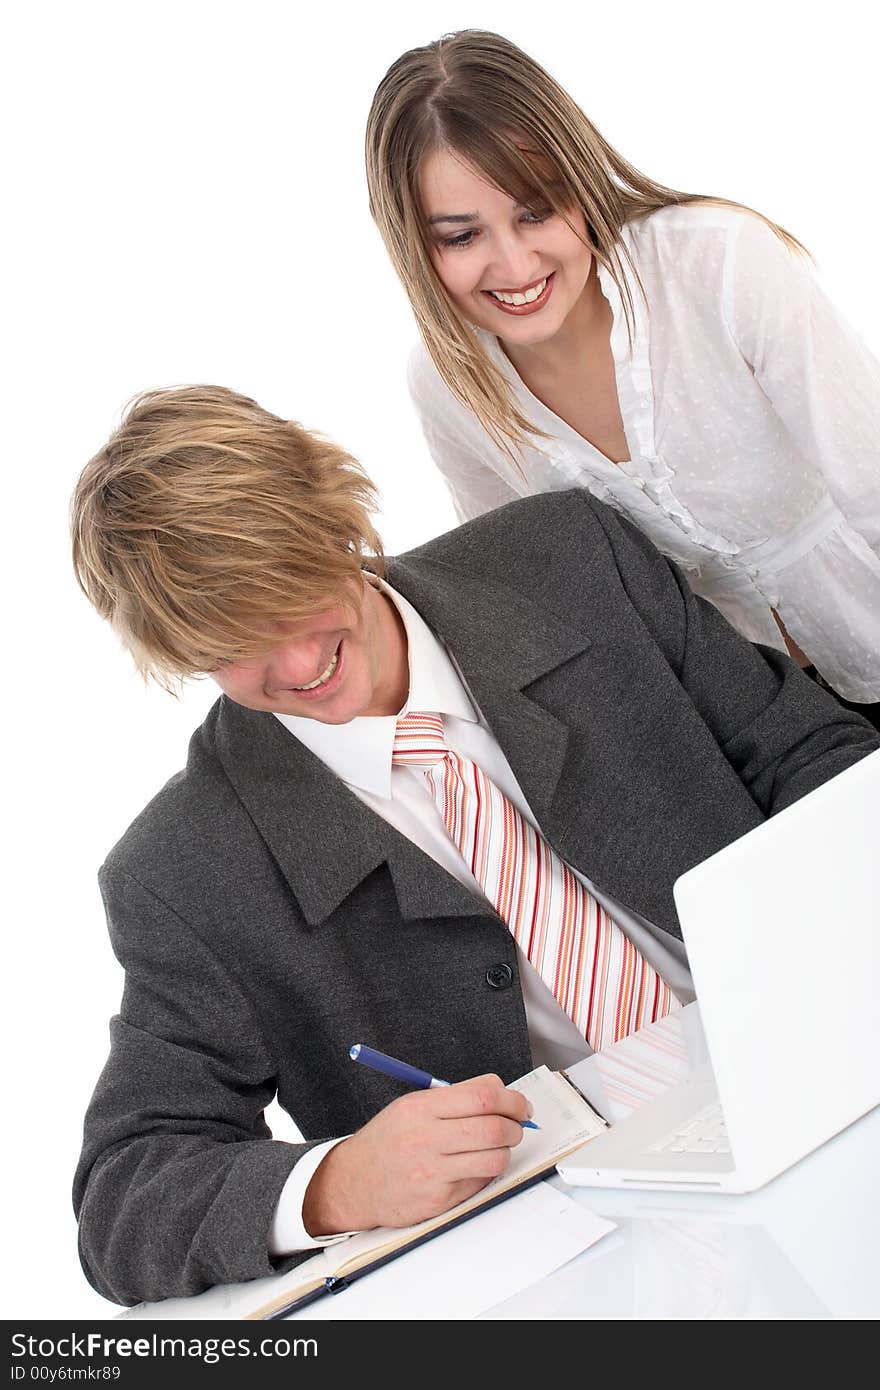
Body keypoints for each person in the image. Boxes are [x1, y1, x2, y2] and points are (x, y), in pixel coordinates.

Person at [70, 385, 878, 1306]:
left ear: (337, 519)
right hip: (608, 1263)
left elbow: (814, 752)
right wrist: (333, 1185)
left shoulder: (571, 557)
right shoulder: (182, 870)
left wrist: (833, 942)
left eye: (294, 602)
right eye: (235, 647)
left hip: (830, 1056)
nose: (298, 670)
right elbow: (122, 1197)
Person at [365, 29, 880, 724]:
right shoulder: (445, 384)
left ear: (580, 184)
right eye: (461, 236)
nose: (515, 267)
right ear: (411, 240)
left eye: (536, 210)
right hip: (743, 729)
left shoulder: (718, 263)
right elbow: (528, 595)